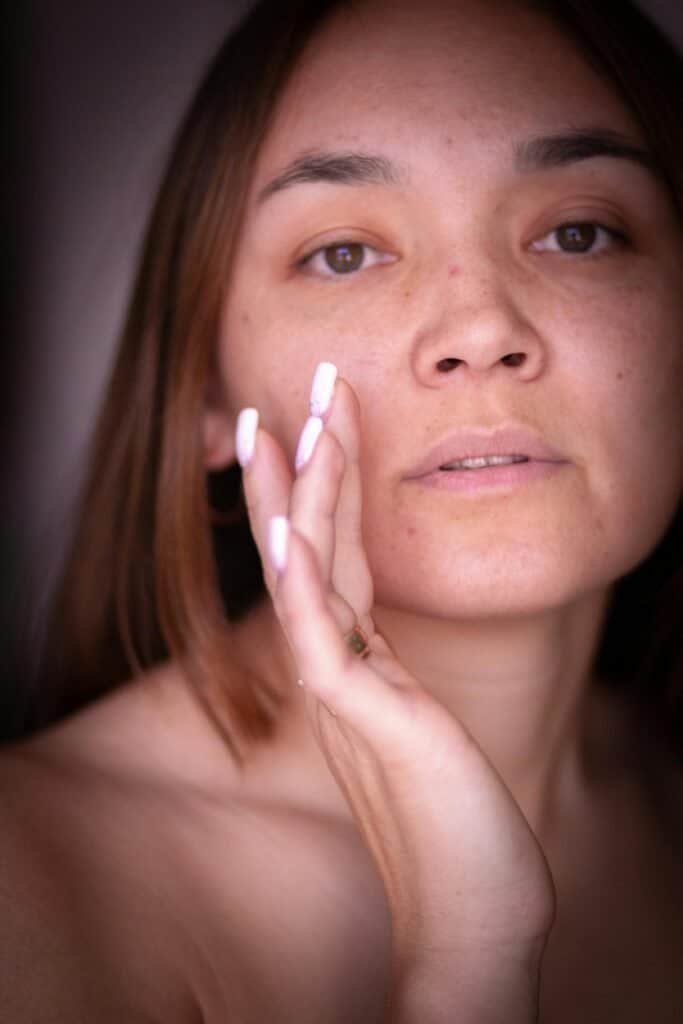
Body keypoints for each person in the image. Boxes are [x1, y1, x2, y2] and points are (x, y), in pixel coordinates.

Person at [2, 0, 682, 1020]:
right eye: (343, 253)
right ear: (201, 387)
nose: (479, 328)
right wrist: (471, 957)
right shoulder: (30, 872)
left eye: (577, 232)